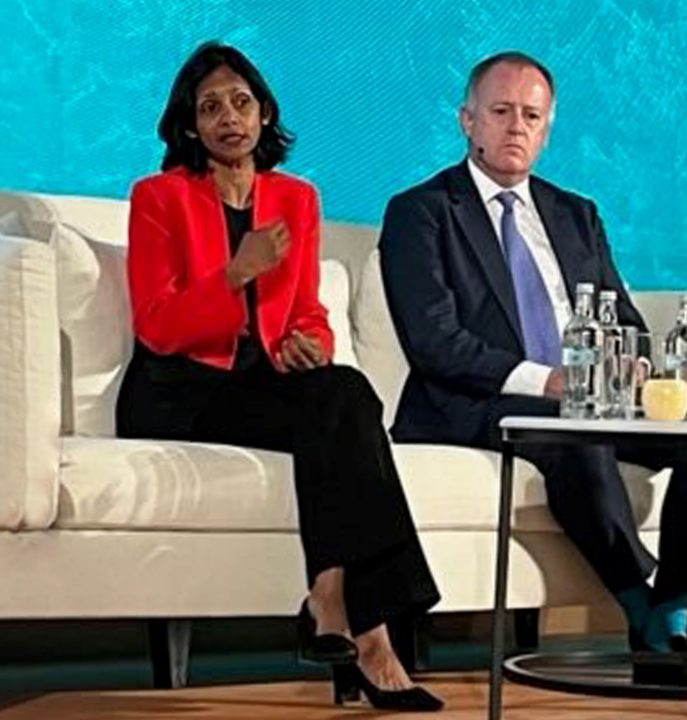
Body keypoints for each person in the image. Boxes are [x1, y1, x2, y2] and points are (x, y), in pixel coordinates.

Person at [377, 51, 687, 686]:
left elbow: (627, 323)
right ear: (468, 121)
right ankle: (639, 608)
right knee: (577, 436)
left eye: (531, 116)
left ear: (547, 128)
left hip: (589, 398)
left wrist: (636, 375)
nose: (516, 127)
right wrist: (549, 381)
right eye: (501, 112)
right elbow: (435, 343)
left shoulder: (575, 214)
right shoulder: (421, 212)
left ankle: (673, 612)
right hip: (476, 402)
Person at [115, 42, 442, 711]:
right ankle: (372, 637)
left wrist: (308, 344)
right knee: (341, 413)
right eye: (209, 107)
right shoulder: (158, 196)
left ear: (264, 113)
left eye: (240, 101)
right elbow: (156, 323)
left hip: (261, 382)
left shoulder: (296, 198)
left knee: (346, 390)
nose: (227, 117)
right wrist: (237, 270)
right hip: (178, 388)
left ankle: (331, 599)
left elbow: (309, 312)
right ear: (189, 125)